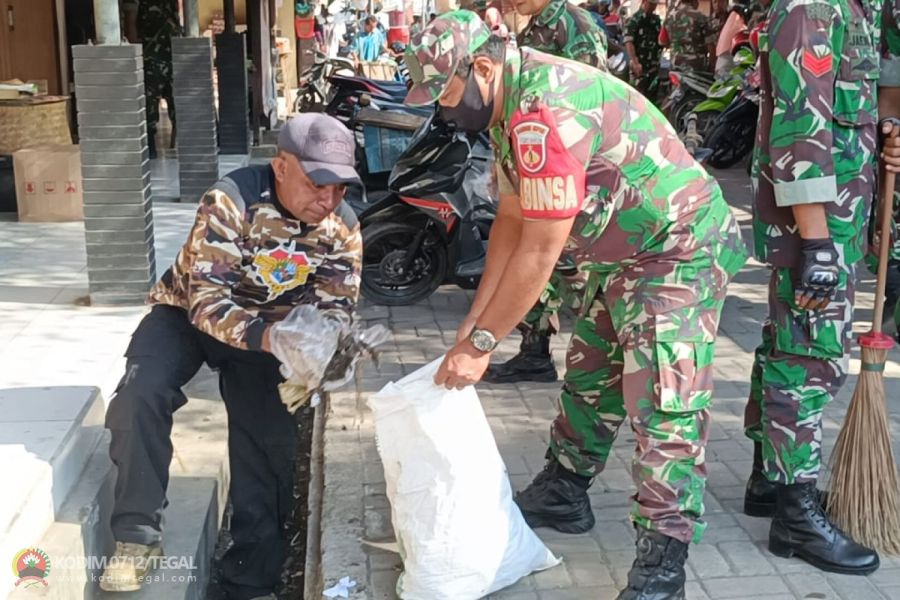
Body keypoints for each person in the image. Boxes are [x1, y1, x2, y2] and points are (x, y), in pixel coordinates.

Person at [405, 11, 747, 598]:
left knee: (663, 400)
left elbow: (540, 249)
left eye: (446, 92)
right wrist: (473, 324)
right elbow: (511, 221)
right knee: (591, 372)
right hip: (621, 253)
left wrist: (485, 345)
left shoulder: (544, 112)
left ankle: (664, 560)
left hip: (676, 250)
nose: (442, 108)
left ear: (482, 67)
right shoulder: (505, 104)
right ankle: (565, 490)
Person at [97, 114, 363, 599]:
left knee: (271, 442)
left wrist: (325, 347)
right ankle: (136, 538)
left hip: (269, 337)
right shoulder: (232, 201)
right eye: (317, 183)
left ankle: (249, 576)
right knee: (140, 394)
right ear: (281, 166)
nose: (327, 200)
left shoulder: (341, 227)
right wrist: (271, 338)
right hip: (188, 320)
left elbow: (338, 303)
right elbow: (207, 303)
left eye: (340, 188)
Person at [739, 0, 900, 576]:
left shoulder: (865, 8)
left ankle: (767, 480)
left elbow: (878, 89)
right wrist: (816, 244)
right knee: (809, 358)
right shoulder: (810, 9)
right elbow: (798, 132)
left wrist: (888, 128)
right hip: (815, 224)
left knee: (787, 343)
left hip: (844, 216)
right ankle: (794, 515)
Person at [483, 0, 608, 384]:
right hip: (538, 173)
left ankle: (606, 346)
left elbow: (591, 100)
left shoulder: (577, 25)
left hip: (571, 176)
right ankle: (535, 351)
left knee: (571, 271)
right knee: (537, 263)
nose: (506, 3)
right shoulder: (532, 24)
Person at [125, 0, 182, 159]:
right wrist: (136, 50)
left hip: (173, 54)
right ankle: (149, 150)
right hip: (151, 57)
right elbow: (130, 20)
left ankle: (187, 149)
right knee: (148, 105)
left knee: (180, 104)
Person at [659, 0, 716, 73]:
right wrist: (711, 68)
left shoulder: (669, 17)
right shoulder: (701, 17)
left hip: (675, 67)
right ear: (694, 1)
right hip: (696, 68)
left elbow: (662, 41)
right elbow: (711, 47)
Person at [624, 0, 662, 101]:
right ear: (644, 2)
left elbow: (660, 40)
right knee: (637, 99)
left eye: (655, 5)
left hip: (654, 66)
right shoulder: (633, 20)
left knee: (652, 99)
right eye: (651, 4)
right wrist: (635, 62)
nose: (653, 7)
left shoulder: (656, 20)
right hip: (640, 67)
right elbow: (629, 42)